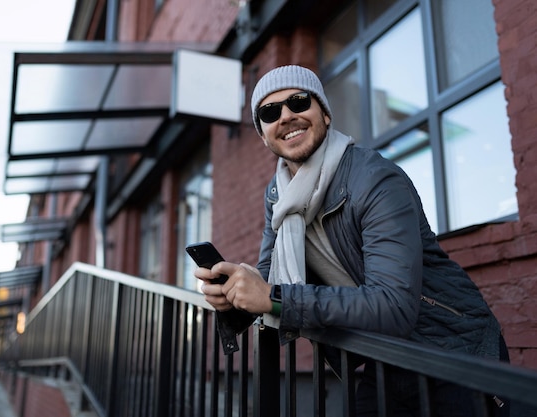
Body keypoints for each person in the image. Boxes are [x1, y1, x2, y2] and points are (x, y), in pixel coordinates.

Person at [194, 65, 509, 416]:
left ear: (325, 114)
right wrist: (235, 297)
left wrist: (271, 297)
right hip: (383, 356)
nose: (286, 116)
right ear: (264, 135)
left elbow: (393, 305)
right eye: (270, 112)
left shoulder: (374, 179)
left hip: (451, 352)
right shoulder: (277, 196)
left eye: (298, 102)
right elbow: (270, 280)